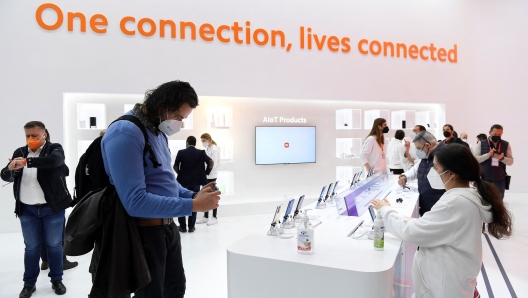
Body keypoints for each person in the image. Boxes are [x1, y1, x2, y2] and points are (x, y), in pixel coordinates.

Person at [101, 80, 220, 297]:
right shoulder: (126, 132)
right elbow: (135, 202)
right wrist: (193, 205)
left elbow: (167, 182)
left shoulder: (156, 133)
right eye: (178, 116)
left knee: (174, 290)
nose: (180, 123)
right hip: (144, 233)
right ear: (162, 105)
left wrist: (194, 195)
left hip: (167, 228)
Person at [371, 144, 512, 298]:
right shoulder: (467, 196)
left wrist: (385, 210)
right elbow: (438, 225)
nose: (434, 172)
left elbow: (412, 232)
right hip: (455, 280)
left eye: (436, 168)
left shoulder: (454, 203)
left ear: (450, 173)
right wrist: (399, 216)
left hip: (444, 287)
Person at [1, 121, 71, 297]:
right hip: (27, 210)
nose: (30, 139)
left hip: (51, 209)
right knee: (31, 247)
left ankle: (57, 280)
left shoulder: (54, 148)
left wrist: (26, 162)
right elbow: (4, 175)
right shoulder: (20, 152)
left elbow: (55, 161)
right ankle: (29, 284)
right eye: (27, 136)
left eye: (34, 135)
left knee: (55, 245)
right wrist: (10, 169)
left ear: (44, 135)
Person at [39, 129, 78, 271]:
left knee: (43, 232)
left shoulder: (33, 154)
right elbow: (65, 170)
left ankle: (45, 260)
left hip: (41, 201)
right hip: (55, 199)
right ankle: (61, 260)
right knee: (58, 233)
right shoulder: (55, 151)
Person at [398, 131, 446, 216]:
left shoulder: (445, 156)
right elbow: (416, 169)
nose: (417, 151)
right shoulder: (426, 156)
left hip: (438, 208)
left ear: (427, 145)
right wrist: (405, 176)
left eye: (419, 148)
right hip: (426, 206)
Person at [173, 136, 214, 233]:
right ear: (195, 144)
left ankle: (182, 227)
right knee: (194, 202)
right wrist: (206, 172)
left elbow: (175, 166)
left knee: (181, 203)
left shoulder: (181, 152)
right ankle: (191, 226)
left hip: (183, 182)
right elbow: (211, 162)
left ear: (187, 143)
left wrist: (180, 174)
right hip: (196, 182)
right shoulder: (201, 153)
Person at [472, 124, 514, 199]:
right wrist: (488, 155)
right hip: (484, 179)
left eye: (499, 135)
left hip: (500, 180)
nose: (497, 136)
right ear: (490, 132)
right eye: (495, 134)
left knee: (498, 203)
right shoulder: (481, 143)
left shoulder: (506, 144)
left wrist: (502, 158)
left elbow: (511, 162)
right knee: (484, 202)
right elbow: (475, 159)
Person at [196, 133, 221, 226]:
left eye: (204, 141)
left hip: (211, 175)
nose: (203, 143)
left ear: (208, 139)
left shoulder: (214, 149)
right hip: (206, 175)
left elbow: (212, 163)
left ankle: (214, 217)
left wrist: (206, 171)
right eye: (202, 141)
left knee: (213, 195)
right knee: (205, 195)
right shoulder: (208, 148)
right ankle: (206, 216)